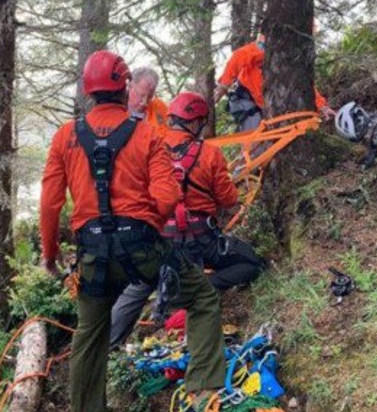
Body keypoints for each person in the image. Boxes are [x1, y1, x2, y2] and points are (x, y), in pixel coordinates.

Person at [40, 51, 226, 412]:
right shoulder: (147, 135)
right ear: (124, 88)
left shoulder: (65, 137)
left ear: (87, 91)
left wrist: (50, 253)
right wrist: (145, 223)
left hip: (93, 253)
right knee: (202, 297)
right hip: (143, 247)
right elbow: (168, 196)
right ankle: (203, 389)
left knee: (90, 331)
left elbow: (51, 202)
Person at [109, 92, 265, 349]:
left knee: (138, 284)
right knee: (251, 263)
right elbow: (228, 200)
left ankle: (108, 346)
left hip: (155, 240)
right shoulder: (209, 154)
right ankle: (203, 286)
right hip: (199, 241)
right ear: (195, 123)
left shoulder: (147, 147)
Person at [214, 32, 335, 133]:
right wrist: (223, 86)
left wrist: (322, 106)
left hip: (266, 105)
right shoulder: (268, 46)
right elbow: (239, 56)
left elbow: (306, 87)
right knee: (256, 144)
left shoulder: (294, 59)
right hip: (247, 99)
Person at [128, 67, 169, 137]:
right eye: (141, 95)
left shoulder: (160, 108)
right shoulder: (117, 109)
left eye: (150, 96)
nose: (144, 102)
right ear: (130, 87)